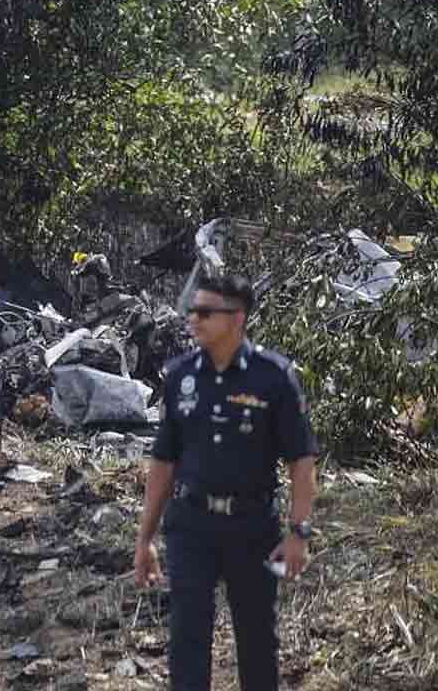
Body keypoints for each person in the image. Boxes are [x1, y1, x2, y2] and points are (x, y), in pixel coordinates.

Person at [134, 273, 319, 690]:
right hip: (191, 527)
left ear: (237, 319)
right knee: (186, 643)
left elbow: (302, 462)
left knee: (257, 644)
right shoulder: (180, 376)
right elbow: (164, 462)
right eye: (191, 310)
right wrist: (145, 538)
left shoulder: (274, 377)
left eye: (204, 312)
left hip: (252, 528)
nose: (193, 320)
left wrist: (298, 533)